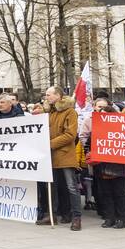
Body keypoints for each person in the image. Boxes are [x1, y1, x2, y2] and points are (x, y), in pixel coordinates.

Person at [39, 86, 82, 231]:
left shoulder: (70, 112)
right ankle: (52, 215)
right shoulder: (49, 112)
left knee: (71, 187)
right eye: (46, 95)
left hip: (64, 155)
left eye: (49, 95)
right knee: (51, 186)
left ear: (58, 95)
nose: (47, 97)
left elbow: (70, 135)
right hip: (50, 155)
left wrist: (49, 144)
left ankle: (76, 218)